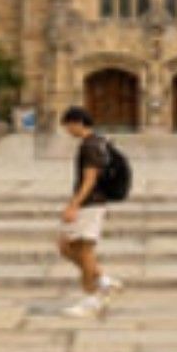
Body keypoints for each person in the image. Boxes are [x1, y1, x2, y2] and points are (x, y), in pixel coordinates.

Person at [55, 105, 121, 318]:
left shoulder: (91, 145)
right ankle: (104, 280)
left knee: (84, 251)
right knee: (66, 246)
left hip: (90, 204)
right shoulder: (98, 142)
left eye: (67, 126)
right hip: (92, 203)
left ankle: (91, 299)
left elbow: (90, 179)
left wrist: (74, 205)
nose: (67, 131)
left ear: (76, 123)